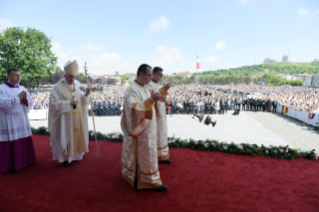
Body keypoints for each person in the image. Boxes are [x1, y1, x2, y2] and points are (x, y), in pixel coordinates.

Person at [121, 64, 167, 191]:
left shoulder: (145, 88)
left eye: (152, 75)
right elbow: (134, 108)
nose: (150, 78)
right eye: (149, 75)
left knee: (150, 154)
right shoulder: (132, 89)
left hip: (148, 130)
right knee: (144, 155)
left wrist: (157, 96)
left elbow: (153, 101)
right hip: (141, 132)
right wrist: (151, 99)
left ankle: (149, 178)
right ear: (141, 74)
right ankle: (145, 179)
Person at [48, 60, 91, 167]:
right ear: (64, 75)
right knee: (67, 136)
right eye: (70, 76)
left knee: (78, 135)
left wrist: (86, 95)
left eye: (74, 77)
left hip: (78, 118)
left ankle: (78, 154)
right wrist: (68, 103)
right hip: (66, 119)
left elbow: (82, 101)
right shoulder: (57, 87)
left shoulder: (76, 85)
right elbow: (54, 103)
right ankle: (66, 158)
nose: (72, 79)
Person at [0, 68, 37, 173]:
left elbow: (30, 101)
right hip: (8, 120)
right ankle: (11, 166)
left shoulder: (23, 88)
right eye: (15, 75)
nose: (18, 77)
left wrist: (25, 100)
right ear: (8, 76)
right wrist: (18, 99)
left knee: (22, 138)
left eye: (19, 75)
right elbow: (1, 102)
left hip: (22, 119)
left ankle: (25, 162)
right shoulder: (1, 88)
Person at [145, 67, 172, 164]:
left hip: (161, 115)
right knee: (156, 135)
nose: (161, 76)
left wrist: (164, 90)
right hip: (155, 116)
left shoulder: (156, 85)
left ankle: (163, 155)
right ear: (154, 74)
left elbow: (161, 97)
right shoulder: (149, 85)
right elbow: (151, 99)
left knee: (162, 135)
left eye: (162, 75)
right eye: (160, 74)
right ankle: (155, 155)